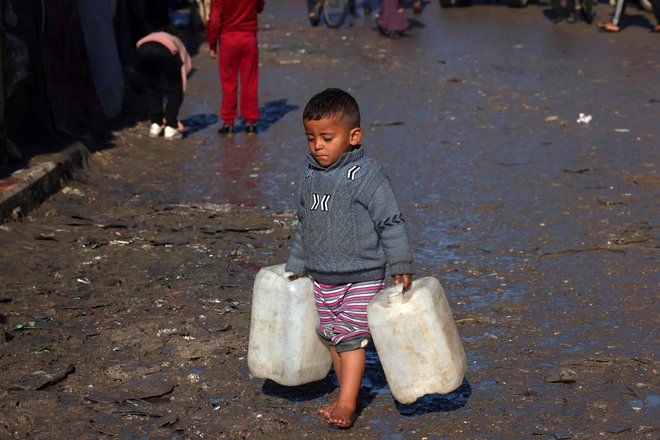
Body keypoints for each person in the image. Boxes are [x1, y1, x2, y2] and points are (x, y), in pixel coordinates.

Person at [285, 88, 413, 429]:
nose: (318, 146)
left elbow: (390, 220)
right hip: (322, 276)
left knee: (350, 338)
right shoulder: (309, 176)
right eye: (311, 138)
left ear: (353, 136)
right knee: (331, 336)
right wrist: (297, 263)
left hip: (362, 273)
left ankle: (346, 403)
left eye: (327, 138)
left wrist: (399, 262)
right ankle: (348, 393)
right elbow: (304, 224)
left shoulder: (366, 175)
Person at [206, 0, 265, 135]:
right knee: (250, 82)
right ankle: (250, 122)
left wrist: (212, 44)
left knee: (228, 83)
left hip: (228, 40)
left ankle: (228, 123)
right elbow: (260, 7)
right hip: (249, 39)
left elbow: (214, 20)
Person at [136, 27, 192, 141]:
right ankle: (171, 127)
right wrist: (181, 92)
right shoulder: (178, 42)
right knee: (175, 87)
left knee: (153, 86)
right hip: (164, 50)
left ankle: (155, 125)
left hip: (142, 48)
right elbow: (183, 75)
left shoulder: (155, 34)